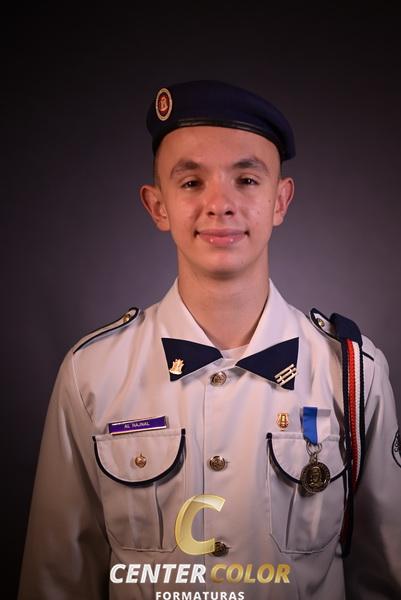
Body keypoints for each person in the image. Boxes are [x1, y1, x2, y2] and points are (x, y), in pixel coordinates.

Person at [18, 80, 401, 600]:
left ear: (280, 200)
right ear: (158, 206)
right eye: (192, 182)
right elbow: (56, 580)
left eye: (246, 179)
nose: (220, 204)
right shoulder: (92, 373)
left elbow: (385, 580)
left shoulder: (353, 372)